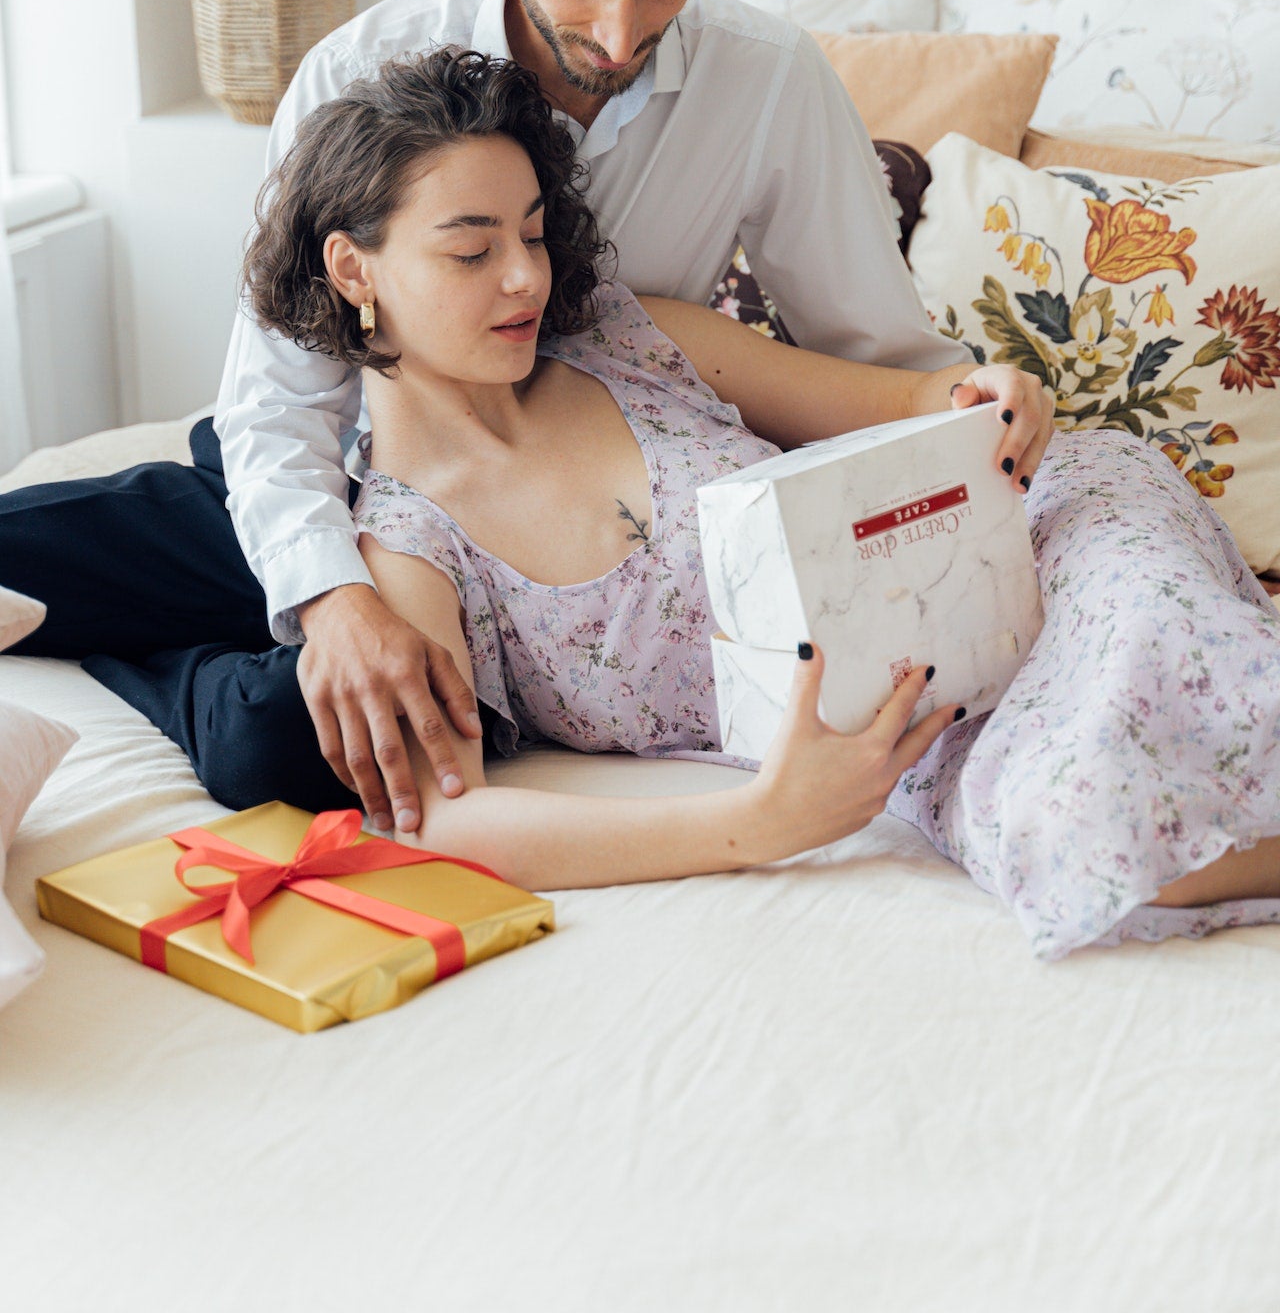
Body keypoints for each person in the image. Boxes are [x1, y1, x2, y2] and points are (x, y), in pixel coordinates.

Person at [2, 0, 958, 836]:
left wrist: (973, 434)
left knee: (284, 743)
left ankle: (159, 653)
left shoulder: (767, 82)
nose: (619, 35)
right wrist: (334, 598)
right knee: (33, 549)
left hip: (543, 510)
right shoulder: (357, 69)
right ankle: (202, 600)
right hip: (349, 461)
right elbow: (276, 401)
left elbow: (877, 360)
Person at [85, 51, 1280, 959]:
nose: (522, 278)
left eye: (535, 235)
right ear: (355, 272)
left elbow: (907, 399)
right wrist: (757, 822)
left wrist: (984, 391)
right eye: (469, 251)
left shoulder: (630, 343)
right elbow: (441, 822)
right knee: (1094, 838)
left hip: (1047, 531)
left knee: (1164, 661)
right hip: (921, 714)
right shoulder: (407, 542)